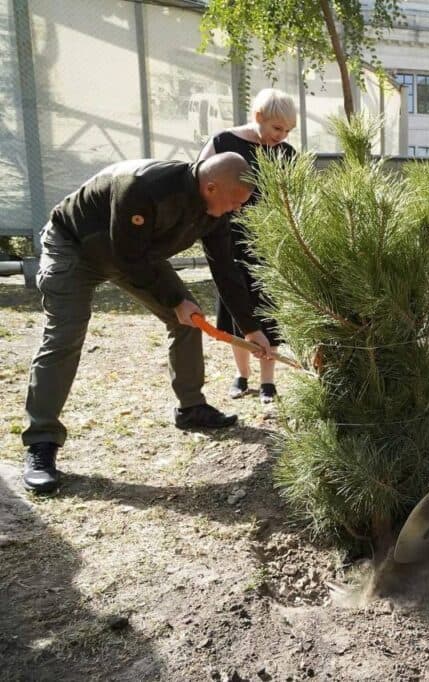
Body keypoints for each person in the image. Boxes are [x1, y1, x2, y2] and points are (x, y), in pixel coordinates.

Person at [20, 152, 273, 494]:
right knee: (65, 335)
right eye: (234, 202)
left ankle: (191, 407)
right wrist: (173, 300)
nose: (237, 209)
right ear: (211, 187)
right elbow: (126, 257)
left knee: (190, 318)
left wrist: (251, 328)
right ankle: (41, 442)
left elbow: (225, 270)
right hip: (75, 246)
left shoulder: (215, 210)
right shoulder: (142, 187)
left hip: (136, 254)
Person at [199, 88, 297, 404]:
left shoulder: (286, 154)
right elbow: (200, 183)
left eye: (287, 131)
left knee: (268, 313)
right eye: (276, 128)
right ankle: (242, 376)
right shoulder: (223, 143)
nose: (281, 137)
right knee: (234, 312)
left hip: (269, 246)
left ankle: (268, 382)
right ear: (258, 118)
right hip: (228, 241)